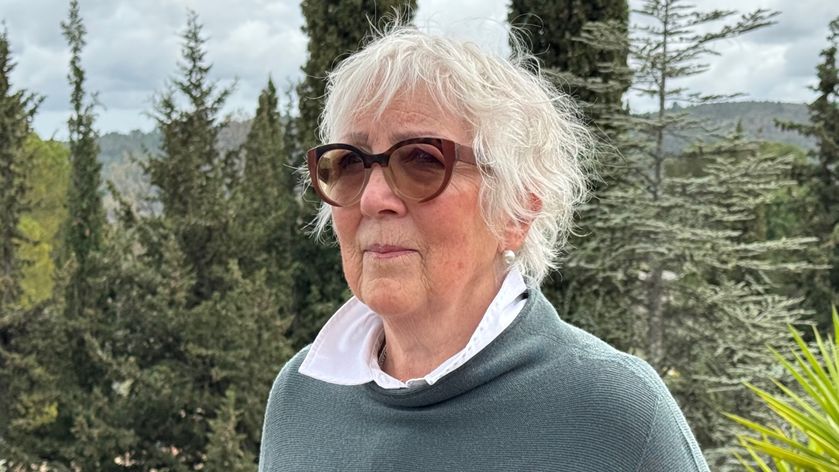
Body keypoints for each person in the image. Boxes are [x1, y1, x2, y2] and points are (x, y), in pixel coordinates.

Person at [258, 25, 710, 472]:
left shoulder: (615, 418)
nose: (374, 198)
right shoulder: (301, 397)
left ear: (516, 213)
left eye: (422, 160)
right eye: (351, 163)